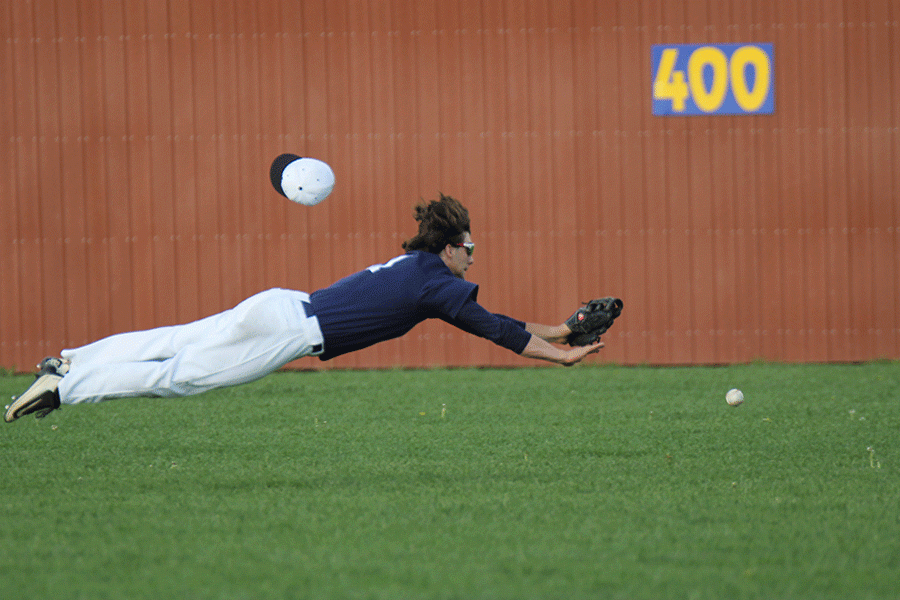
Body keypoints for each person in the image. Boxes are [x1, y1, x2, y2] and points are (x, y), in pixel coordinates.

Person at [5, 193, 604, 423]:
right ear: (449, 247)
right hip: (291, 334)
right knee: (178, 378)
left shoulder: (419, 268)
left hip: (281, 302)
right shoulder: (439, 286)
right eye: (469, 245)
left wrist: (557, 328)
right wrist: (561, 356)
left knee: (174, 338)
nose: (474, 253)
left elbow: (492, 317)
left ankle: (68, 361)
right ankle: (64, 390)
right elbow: (493, 328)